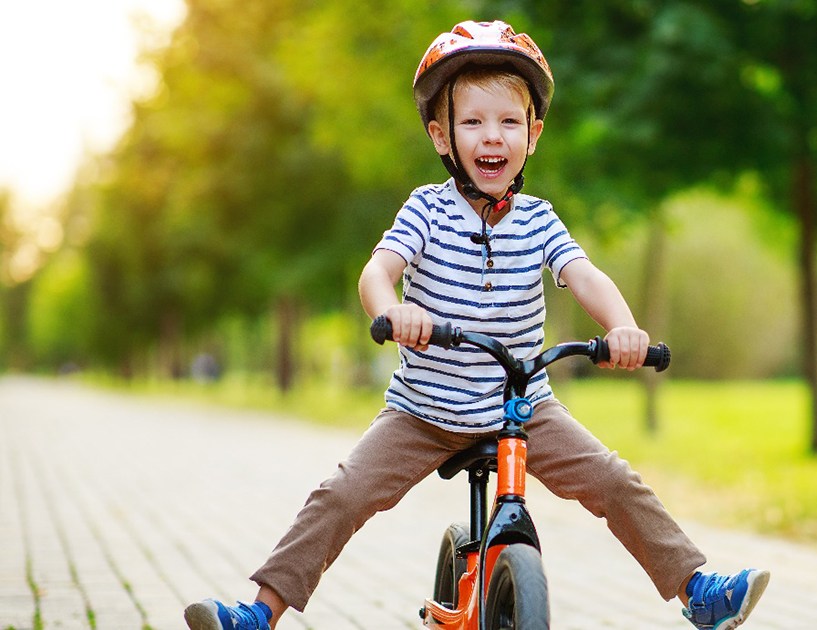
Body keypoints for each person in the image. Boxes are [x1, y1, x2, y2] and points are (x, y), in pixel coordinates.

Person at [183, 20, 769, 630]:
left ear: (533, 135)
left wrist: (623, 326)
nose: (493, 136)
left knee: (614, 480)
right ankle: (258, 612)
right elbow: (376, 274)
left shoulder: (540, 220)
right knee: (342, 495)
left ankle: (699, 590)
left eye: (509, 122)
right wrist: (393, 309)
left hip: (523, 407)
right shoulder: (427, 210)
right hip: (423, 409)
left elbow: (585, 275)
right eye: (473, 122)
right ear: (442, 136)